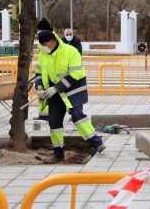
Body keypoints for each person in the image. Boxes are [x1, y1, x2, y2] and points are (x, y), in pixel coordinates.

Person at [35, 30, 106, 163]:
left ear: (52, 41)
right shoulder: (43, 53)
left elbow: (75, 75)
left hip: (73, 90)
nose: (43, 47)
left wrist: (56, 88)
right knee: (54, 122)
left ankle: (97, 143)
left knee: (77, 116)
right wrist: (39, 86)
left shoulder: (70, 51)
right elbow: (39, 72)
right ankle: (58, 154)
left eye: (45, 44)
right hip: (53, 93)